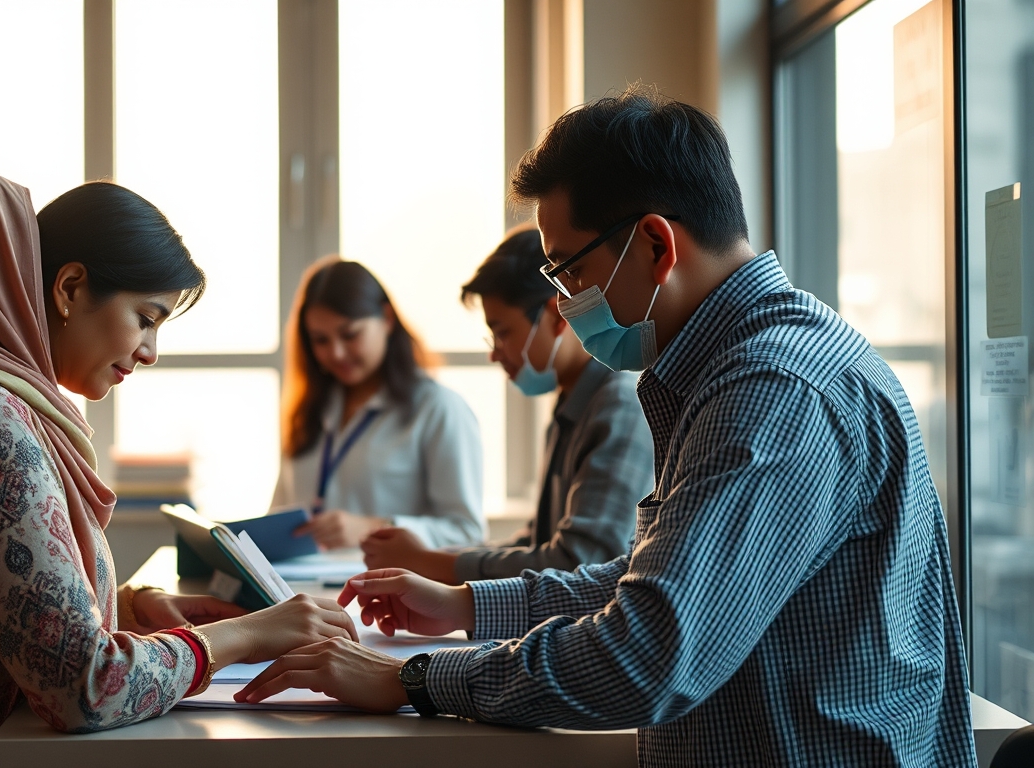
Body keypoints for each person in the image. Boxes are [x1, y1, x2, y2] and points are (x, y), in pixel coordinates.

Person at [234, 87, 977, 766]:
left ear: (656, 245)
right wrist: (463, 605)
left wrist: (414, 678)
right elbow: (647, 582)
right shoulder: (737, 366)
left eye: (568, 272)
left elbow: (644, 653)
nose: (563, 305)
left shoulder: (773, 389)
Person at [0, 167, 357, 767]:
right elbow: (85, 687)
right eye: (145, 318)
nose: (150, 352)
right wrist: (252, 635)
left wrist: (133, 609)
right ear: (70, 288)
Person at [360, 228, 653, 583]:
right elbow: (538, 542)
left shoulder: (618, 405)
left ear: (557, 316)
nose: (495, 353)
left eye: (502, 332)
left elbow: (580, 561)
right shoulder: (575, 400)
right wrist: (429, 557)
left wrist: (431, 564)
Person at [273, 257, 485, 550]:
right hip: (302, 591)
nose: (336, 353)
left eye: (350, 335)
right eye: (320, 340)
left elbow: (467, 532)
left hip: (386, 591)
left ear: (386, 319)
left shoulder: (439, 408)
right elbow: (278, 516)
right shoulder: (311, 409)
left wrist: (373, 528)